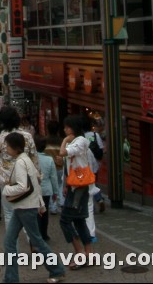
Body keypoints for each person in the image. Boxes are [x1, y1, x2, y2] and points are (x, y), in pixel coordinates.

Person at [2, 132, 65, 284]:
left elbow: (23, 186)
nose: (6, 148)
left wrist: (6, 189)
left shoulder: (20, 162)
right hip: (24, 206)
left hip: (25, 207)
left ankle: (57, 269)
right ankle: (11, 278)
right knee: (11, 241)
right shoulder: (27, 160)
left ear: (15, 147)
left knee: (36, 240)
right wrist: (41, 205)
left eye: (7, 146)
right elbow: (36, 182)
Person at [0, 105, 39, 231]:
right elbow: (35, 159)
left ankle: (12, 249)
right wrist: (38, 178)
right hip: (26, 180)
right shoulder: (27, 136)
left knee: (9, 213)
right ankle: (32, 244)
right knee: (27, 214)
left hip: (6, 180)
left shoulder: (0, 139)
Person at [59, 115, 94, 269]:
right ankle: (88, 254)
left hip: (79, 188)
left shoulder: (79, 142)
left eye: (68, 127)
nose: (65, 130)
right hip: (75, 185)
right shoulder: (78, 141)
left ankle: (80, 253)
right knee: (79, 221)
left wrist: (65, 140)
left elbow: (62, 153)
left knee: (65, 220)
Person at [35, 135, 58, 241]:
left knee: (35, 213)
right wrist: (55, 192)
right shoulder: (49, 159)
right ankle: (44, 234)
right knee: (44, 213)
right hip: (46, 190)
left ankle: (36, 234)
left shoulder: (31, 159)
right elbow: (53, 177)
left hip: (34, 190)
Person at [82, 116, 106, 213]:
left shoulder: (82, 137)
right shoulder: (96, 135)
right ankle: (99, 199)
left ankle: (91, 207)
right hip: (95, 164)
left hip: (85, 164)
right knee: (93, 184)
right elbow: (101, 149)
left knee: (86, 186)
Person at [44, 121, 64, 214]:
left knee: (52, 187)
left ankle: (53, 207)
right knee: (60, 185)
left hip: (49, 168)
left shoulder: (45, 141)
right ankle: (61, 202)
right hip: (60, 167)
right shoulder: (61, 141)